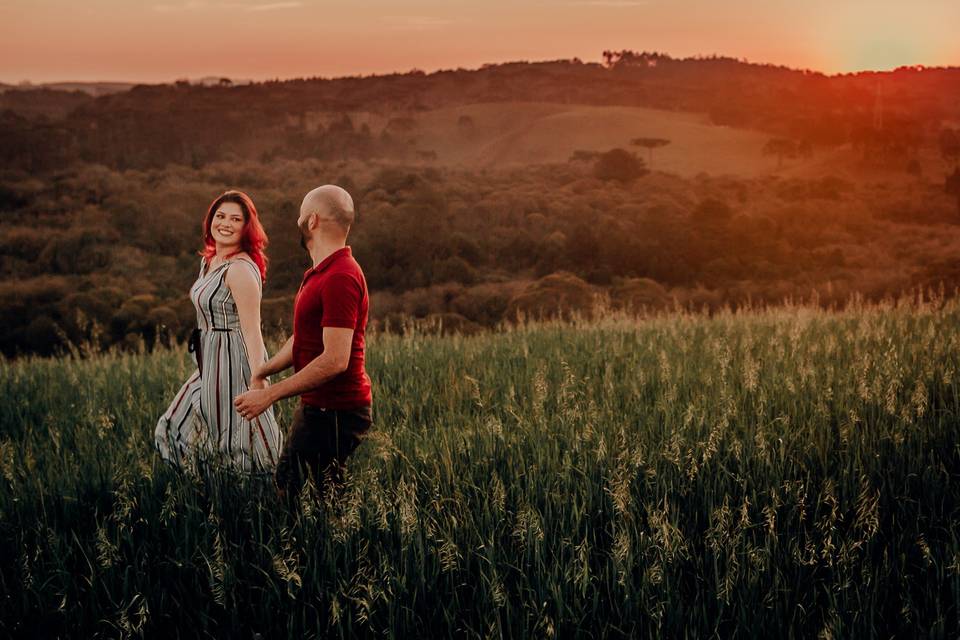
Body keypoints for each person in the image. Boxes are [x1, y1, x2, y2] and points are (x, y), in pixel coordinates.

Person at [234, 185, 372, 500]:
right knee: (307, 493)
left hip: (336, 411)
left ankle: (314, 550)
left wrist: (269, 396)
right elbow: (304, 339)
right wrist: (264, 370)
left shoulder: (340, 276)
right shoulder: (320, 273)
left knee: (302, 497)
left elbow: (336, 359)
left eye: (300, 214)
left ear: (311, 221)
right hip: (319, 407)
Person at [155, 190, 283, 473]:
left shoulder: (240, 270)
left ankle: (263, 500)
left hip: (236, 361)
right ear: (210, 220)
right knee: (175, 427)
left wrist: (258, 378)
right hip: (209, 361)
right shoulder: (210, 261)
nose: (225, 223)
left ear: (246, 227)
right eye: (220, 216)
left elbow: (252, 331)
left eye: (235, 219)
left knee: (243, 438)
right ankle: (209, 491)